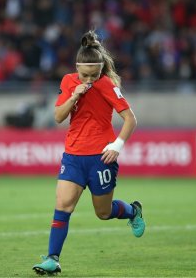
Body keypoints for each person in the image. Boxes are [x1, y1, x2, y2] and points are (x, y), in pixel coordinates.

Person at [32, 31, 145, 275]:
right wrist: (75, 95)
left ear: (101, 70)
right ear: (77, 69)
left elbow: (130, 119)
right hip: (73, 155)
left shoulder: (107, 85)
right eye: (85, 75)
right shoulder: (68, 82)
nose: (90, 79)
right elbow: (58, 117)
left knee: (103, 213)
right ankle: (52, 259)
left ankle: (133, 211)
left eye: (94, 74)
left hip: (101, 157)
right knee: (63, 206)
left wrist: (117, 145)